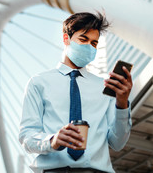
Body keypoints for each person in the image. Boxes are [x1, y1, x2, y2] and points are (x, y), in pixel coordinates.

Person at [19, 12, 133, 173]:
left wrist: (122, 104)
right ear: (66, 39)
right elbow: (27, 136)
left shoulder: (105, 86)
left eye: (94, 43)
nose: (89, 46)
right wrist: (53, 140)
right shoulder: (38, 83)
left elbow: (117, 143)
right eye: (83, 39)